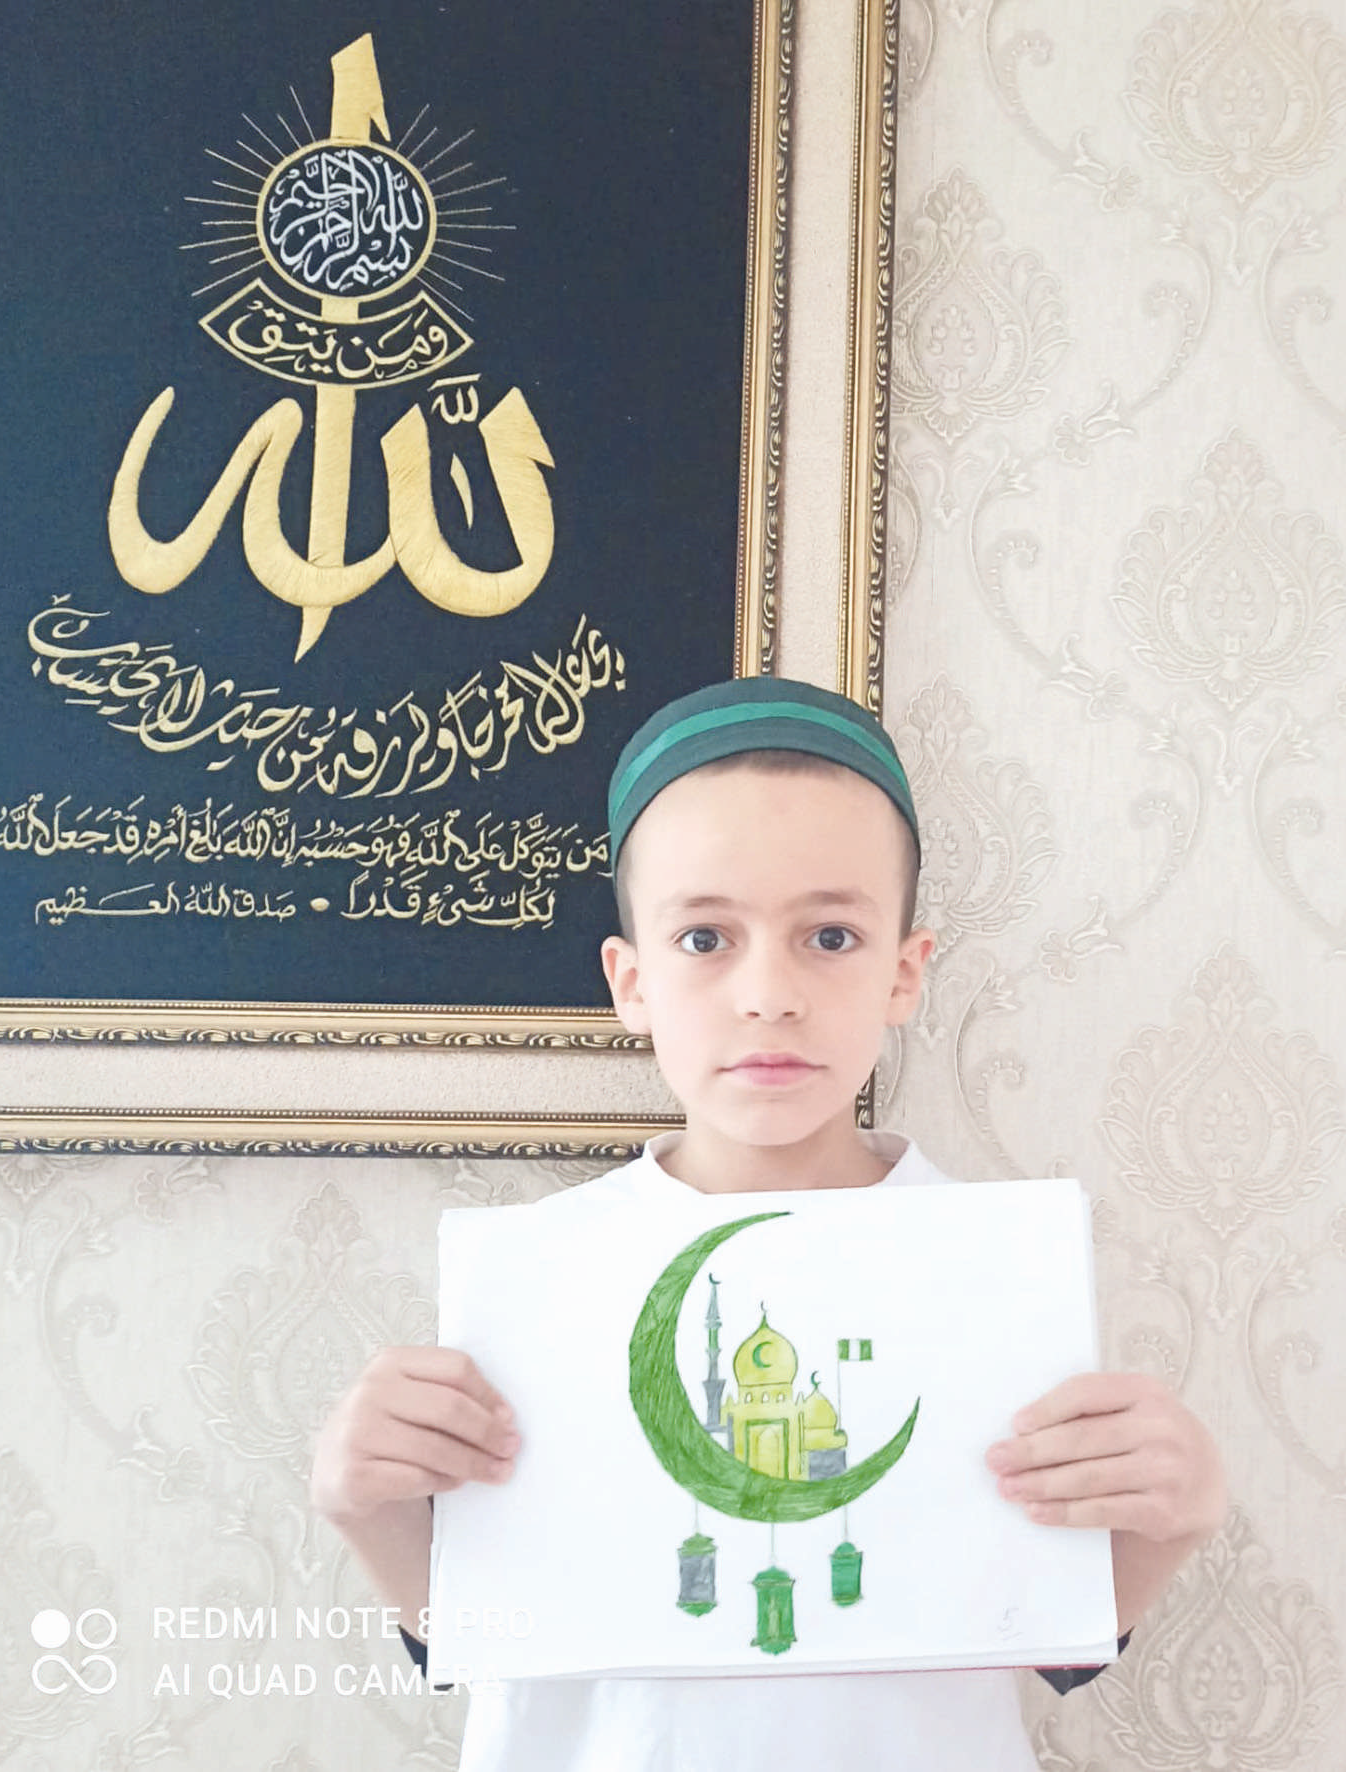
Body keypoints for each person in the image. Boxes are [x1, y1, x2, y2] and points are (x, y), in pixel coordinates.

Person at [310, 675, 1227, 1772]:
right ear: (631, 980)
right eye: (705, 937)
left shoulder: (988, 1277)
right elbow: (496, 1630)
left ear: (903, 971)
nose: (767, 994)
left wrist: (1171, 1517)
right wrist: (367, 1505)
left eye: (829, 935)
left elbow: (1039, 1632)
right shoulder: (544, 1284)